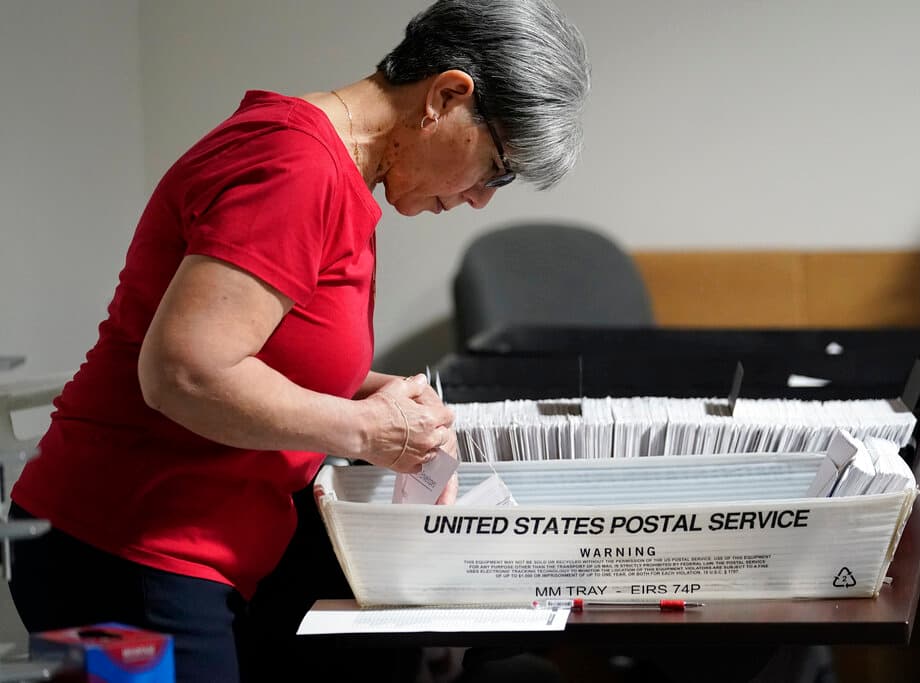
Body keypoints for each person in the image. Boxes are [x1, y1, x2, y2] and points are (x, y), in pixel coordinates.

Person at [8, 1, 591, 681]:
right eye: (497, 168)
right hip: (125, 548)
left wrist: (379, 396)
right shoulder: (296, 167)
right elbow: (183, 372)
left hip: (181, 549)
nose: (483, 199)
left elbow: (260, 353)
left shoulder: (335, 170)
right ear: (447, 96)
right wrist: (368, 431)